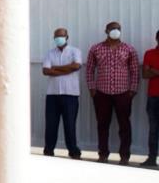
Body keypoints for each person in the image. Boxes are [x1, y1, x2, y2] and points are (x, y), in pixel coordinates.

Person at [86, 21, 140, 165]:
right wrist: (92, 89)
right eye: (112, 29)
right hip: (102, 93)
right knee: (102, 124)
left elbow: (135, 71)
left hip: (123, 93)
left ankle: (124, 156)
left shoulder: (129, 49)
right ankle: (103, 154)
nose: (115, 31)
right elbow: (90, 69)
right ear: (106, 31)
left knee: (124, 125)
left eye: (118, 29)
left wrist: (132, 90)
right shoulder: (96, 48)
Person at [41, 28, 83, 159]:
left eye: (61, 36)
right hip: (52, 94)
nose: (59, 39)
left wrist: (56, 68)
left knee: (69, 124)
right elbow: (46, 71)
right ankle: (48, 150)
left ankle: (73, 151)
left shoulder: (75, 51)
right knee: (51, 124)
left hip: (70, 94)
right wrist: (67, 68)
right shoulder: (49, 53)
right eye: (56, 36)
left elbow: (76, 66)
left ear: (67, 37)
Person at [142, 30, 159, 167]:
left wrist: (155, 71)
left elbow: (150, 72)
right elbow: (145, 74)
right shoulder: (149, 53)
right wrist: (150, 71)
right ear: (156, 39)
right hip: (153, 97)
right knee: (153, 129)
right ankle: (152, 158)